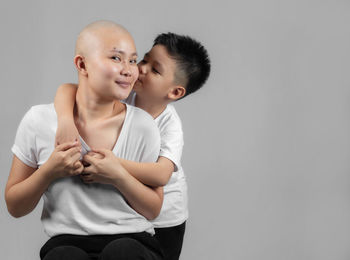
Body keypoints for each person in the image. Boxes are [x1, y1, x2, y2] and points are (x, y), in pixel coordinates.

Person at [5, 20, 165, 260]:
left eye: (132, 60)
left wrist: (118, 176)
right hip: (66, 242)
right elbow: (15, 207)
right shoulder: (39, 120)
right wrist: (48, 171)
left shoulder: (143, 125)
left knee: (123, 253)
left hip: (133, 240)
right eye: (115, 58)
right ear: (82, 64)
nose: (129, 69)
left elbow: (153, 209)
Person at [54, 32, 211, 259]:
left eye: (155, 70)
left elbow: (161, 174)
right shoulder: (123, 95)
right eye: (144, 60)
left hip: (164, 219)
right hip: (127, 215)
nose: (142, 68)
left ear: (175, 92)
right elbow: (67, 89)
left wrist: (114, 165)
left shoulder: (170, 124)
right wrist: (65, 120)